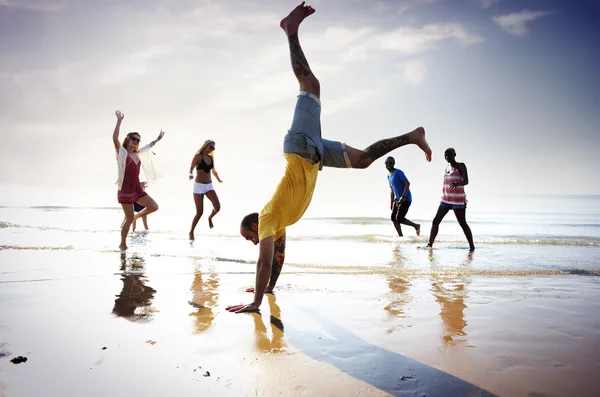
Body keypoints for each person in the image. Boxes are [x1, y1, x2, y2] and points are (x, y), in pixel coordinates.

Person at [227, 2, 431, 314]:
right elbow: (278, 259)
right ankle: (413, 137)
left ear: (255, 224)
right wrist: (267, 289)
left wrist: (254, 303)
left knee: (310, 85)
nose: (253, 241)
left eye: (249, 236)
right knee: (363, 160)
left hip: (299, 147)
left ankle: (289, 30)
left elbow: (264, 260)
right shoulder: (277, 225)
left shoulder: (268, 218)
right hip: (315, 155)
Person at [113, 110, 165, 251]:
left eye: (137, 140)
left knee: (154, 206)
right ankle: (122, 243)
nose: (136, 141)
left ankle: (137, 217)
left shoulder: (137, 153)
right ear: (128, 140)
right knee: (128, 219)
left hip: (137, 188)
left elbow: (148, 147)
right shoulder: (122, 153)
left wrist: (157, 140)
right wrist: (119, 121)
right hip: (125, 189)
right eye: (133, 139)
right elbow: (115, 139)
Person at [426, 148, 475, 252]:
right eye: (446, 155)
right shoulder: (447, 167)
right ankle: (429, 245)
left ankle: (472, 247)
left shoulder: (461, 166)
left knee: (462, 224)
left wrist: (458, 184)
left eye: (449, 155)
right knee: (435, 221)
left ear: (455, 155)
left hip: (458, 200)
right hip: (445, 199)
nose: (447, 157)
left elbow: (466, 181)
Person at [188, 140, 223, 240]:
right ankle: (191, 232)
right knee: (199, 213)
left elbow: (213, 171)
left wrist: (218, 179)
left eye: (213, 148)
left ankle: (210, 217)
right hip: (199, 187)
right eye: (210, 147)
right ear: (205, 146)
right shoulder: (198, 156)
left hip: (209, 186)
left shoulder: (211, 158)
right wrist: (190, 173)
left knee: (217, 207)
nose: (212, 150)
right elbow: (191, 167)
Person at [385, 156, 420, 237]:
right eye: (386, 163)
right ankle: (401, 236)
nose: (388, 164)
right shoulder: (388, 176)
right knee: (393, 218)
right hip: (397, 199)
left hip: (406, 198)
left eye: (390, 162)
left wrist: (403, 196)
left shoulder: (398, 172)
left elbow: (407, 183)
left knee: (399, 218)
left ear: (393, 163)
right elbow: (392, 190)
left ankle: (416, 226)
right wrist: (391, 203)